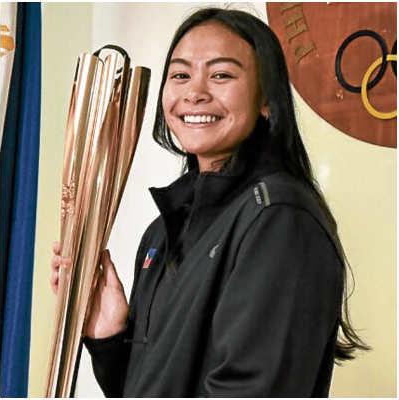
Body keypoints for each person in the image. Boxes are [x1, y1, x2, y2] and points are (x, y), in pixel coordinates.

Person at [51, 8, 369, 397]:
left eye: (221, 75)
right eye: (181, 75)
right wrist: (110, 335)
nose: (195, 92)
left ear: (266, 100)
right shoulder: (163, 232)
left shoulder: (279, 218)